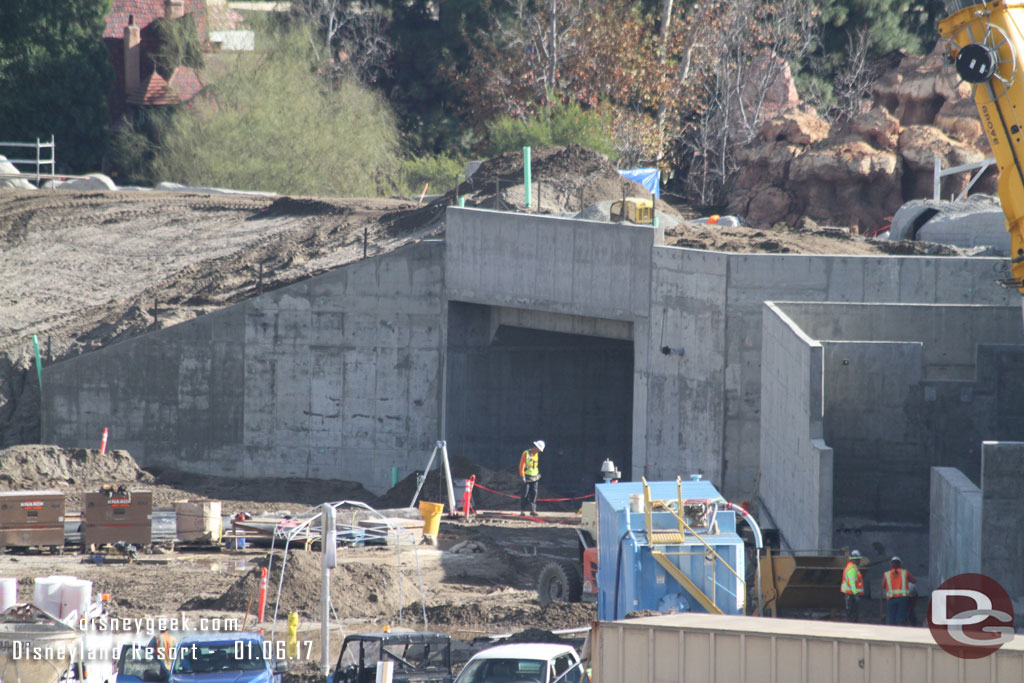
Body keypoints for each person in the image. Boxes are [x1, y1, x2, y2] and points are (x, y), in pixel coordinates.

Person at [882, 556, 916, 625]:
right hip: (902, 599)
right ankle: (900, 632)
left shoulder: (887, 574)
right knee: (901, 617)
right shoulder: (905, 573)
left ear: (891, 564)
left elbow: (883, 586)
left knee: (891, 618)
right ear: (900, 564)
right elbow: (914, 580)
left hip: (891, 599)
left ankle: (891, 632)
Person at [519, 440, 545, 516]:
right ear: (536, 447)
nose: (539, 451)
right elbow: (522, 465)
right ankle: (522, 510)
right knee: (525, 494)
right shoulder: (526, 453)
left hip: (535, 477)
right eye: (539, 449)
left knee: (534, 494)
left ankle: (533, 510)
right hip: (527, 477)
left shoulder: (536, 455)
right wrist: (522, 475)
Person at [840, 549, 865, 622]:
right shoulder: (852, 569)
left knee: (852, 613)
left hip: (850, 594)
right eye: (857, 560)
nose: (859, 561)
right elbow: (852, 583)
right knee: (852, 613)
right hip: (851, 595)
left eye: (859, 559)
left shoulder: (852, 567)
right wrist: (855, 594)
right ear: (853, 560)